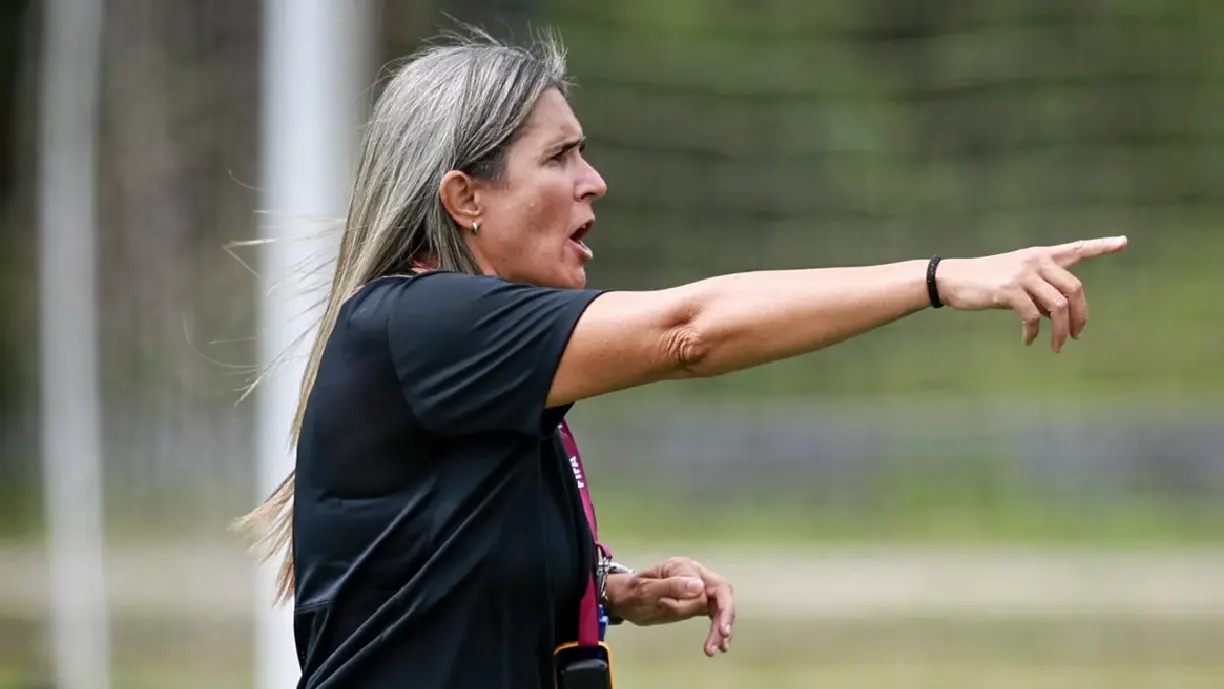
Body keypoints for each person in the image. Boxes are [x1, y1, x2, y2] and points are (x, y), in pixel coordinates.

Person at [235, 28, 1128, 689]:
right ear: (465, 197)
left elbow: (443, 567)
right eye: (561, 157)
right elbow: (690, 331)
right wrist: (940, 278)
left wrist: (605, 586)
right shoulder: (425, 323)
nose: (595, 180)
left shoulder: (462, 348)